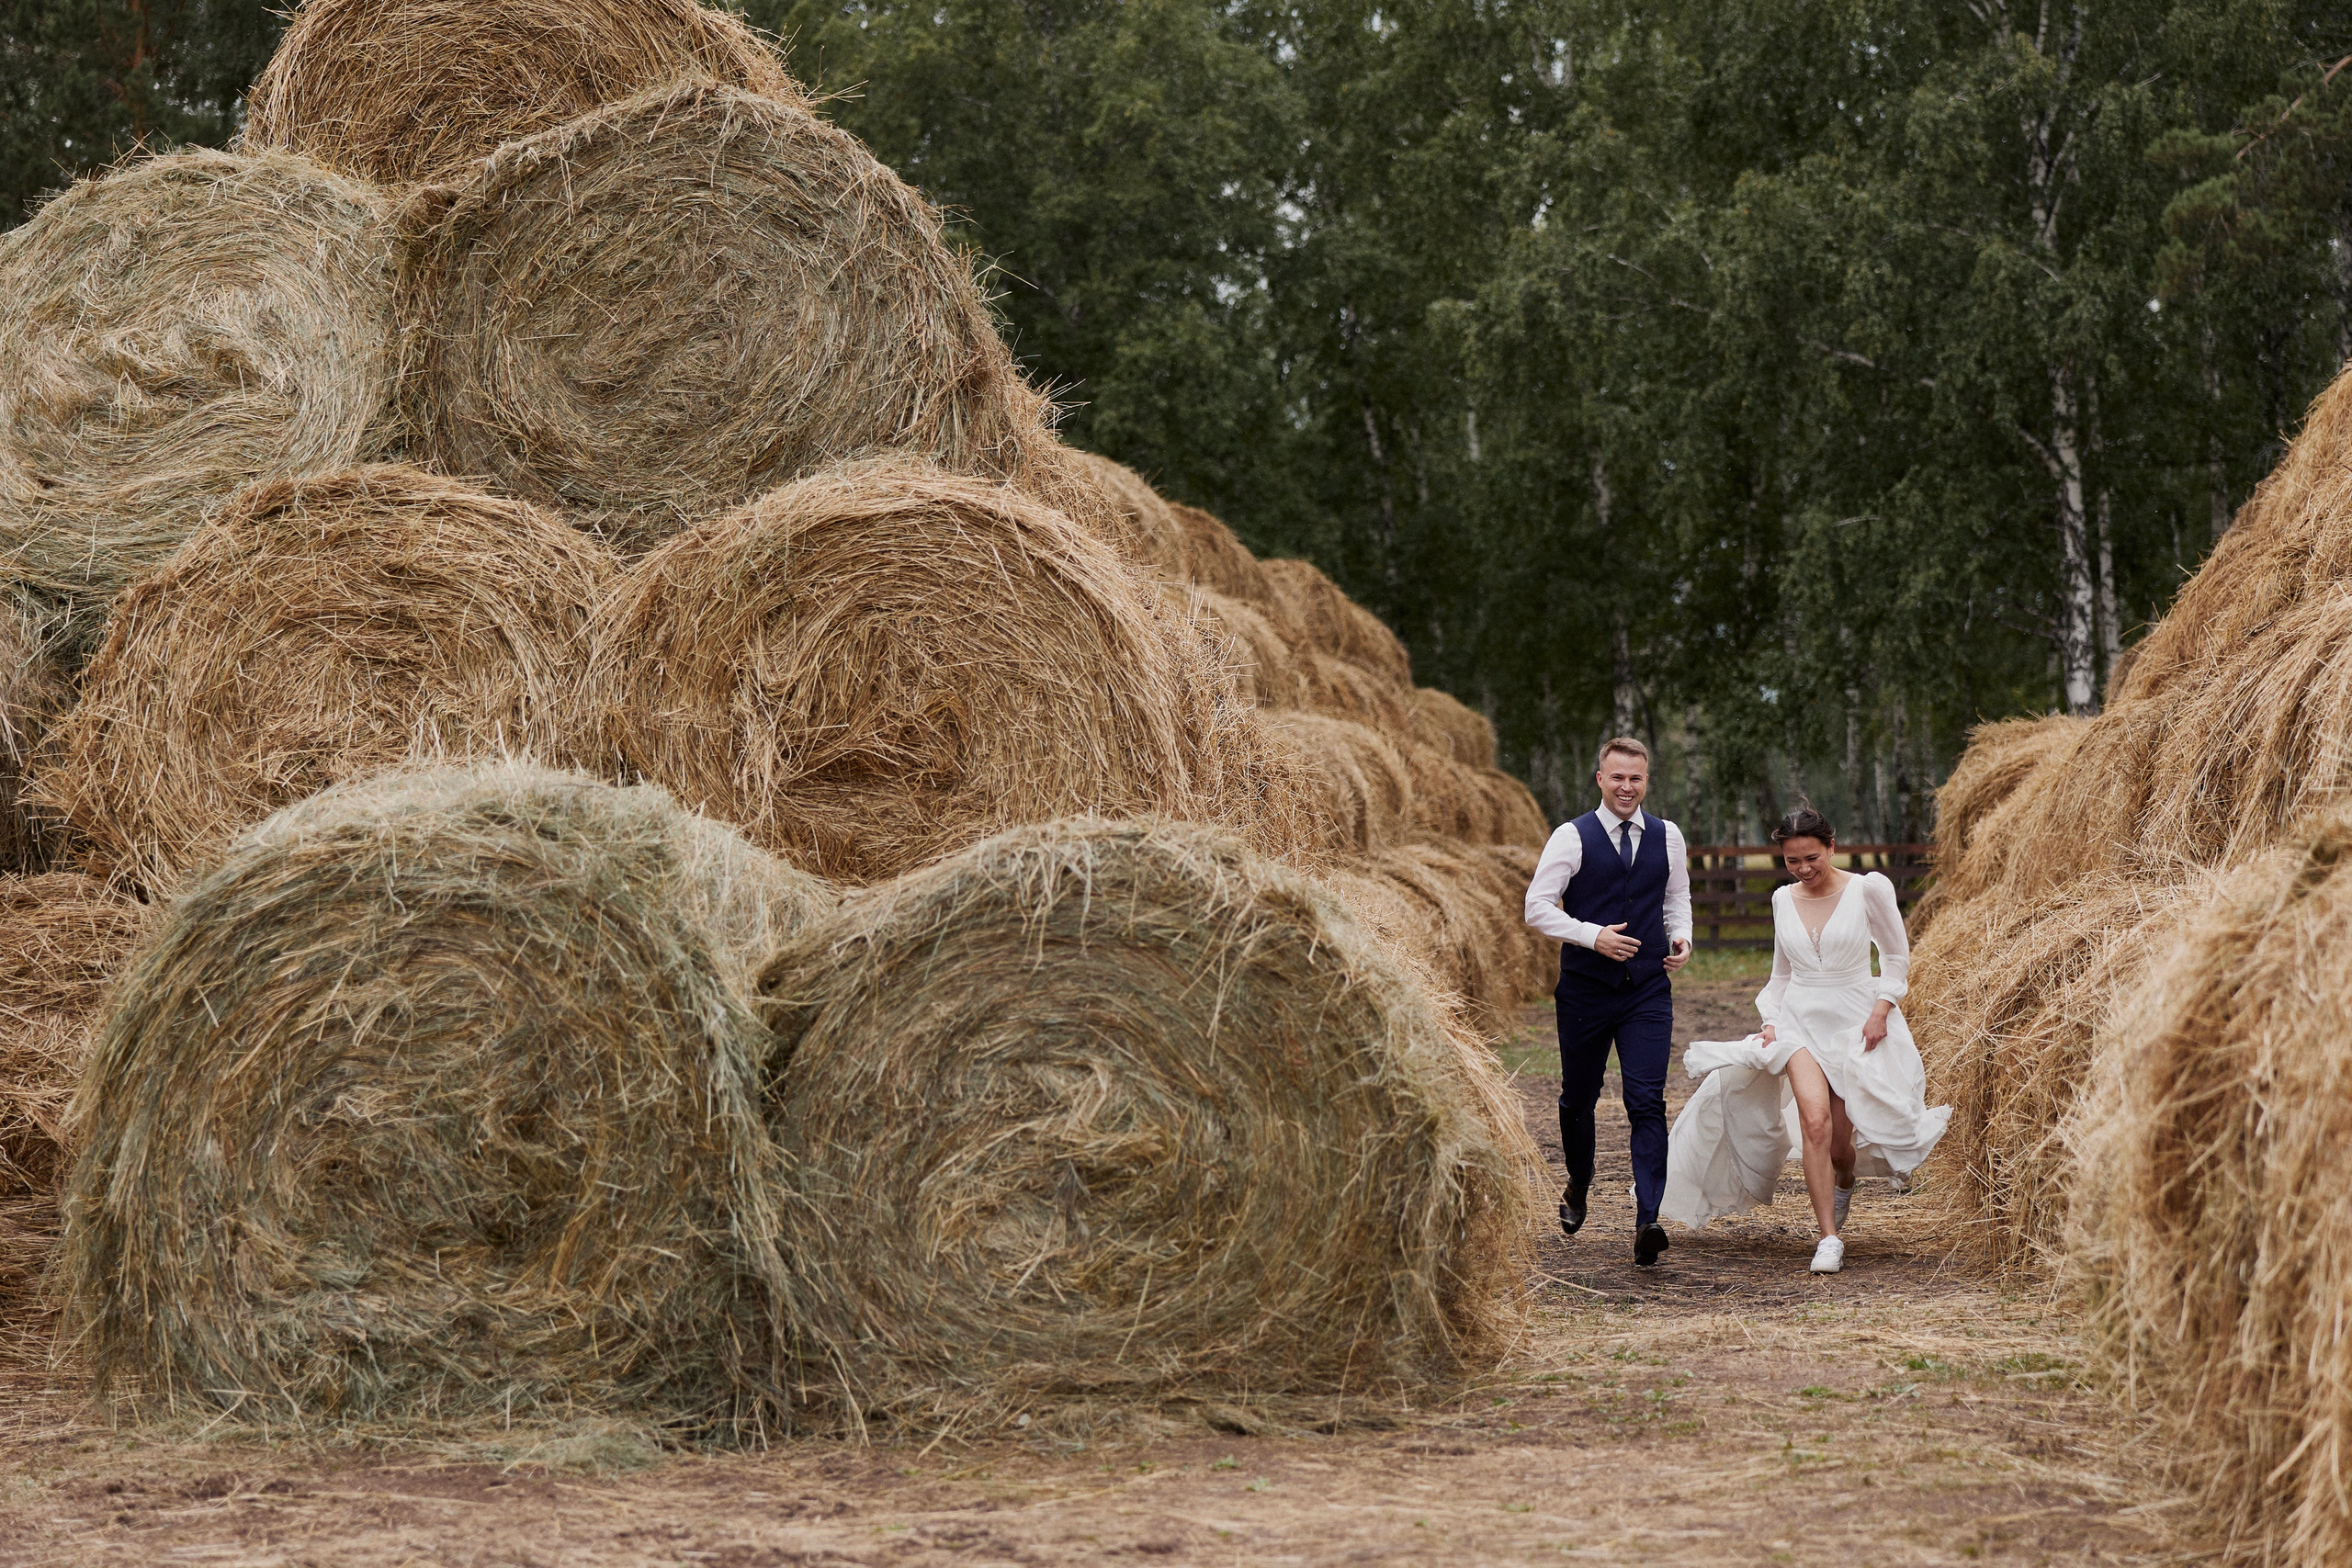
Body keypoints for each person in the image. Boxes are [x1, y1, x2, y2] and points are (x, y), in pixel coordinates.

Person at [1658, 806, 1950, 1274]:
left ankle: (1845, 1178)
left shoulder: (1867, 889)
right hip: (1799, 1023)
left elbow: (1896, 958)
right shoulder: (1780, 899)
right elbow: (1781, 973)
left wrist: (1882, 1009)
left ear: (1832, 847)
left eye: (1812, 857)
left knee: (1839, 1144)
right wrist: (1771, 1019)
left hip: (1855, 1019)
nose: (1804, 869)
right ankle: (1828, 1238)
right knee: (1814, 1123)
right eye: (1793, 861)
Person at [1522, 737, 1692, 1268]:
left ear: (1647, 781)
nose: (1627, 787)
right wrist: (1591, 935)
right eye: (1617, 777)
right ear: (1600, 778)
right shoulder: (1571, 837)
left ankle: (1649, 1220)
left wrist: (1682, 935)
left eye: (1636, 778)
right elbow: (1536, 908)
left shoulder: (1668, 836)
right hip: (1584, 991)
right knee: (1579, 1098)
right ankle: (1579, 1183)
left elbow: (1675, 896)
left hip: (1646, 989)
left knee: (1647, 1101)